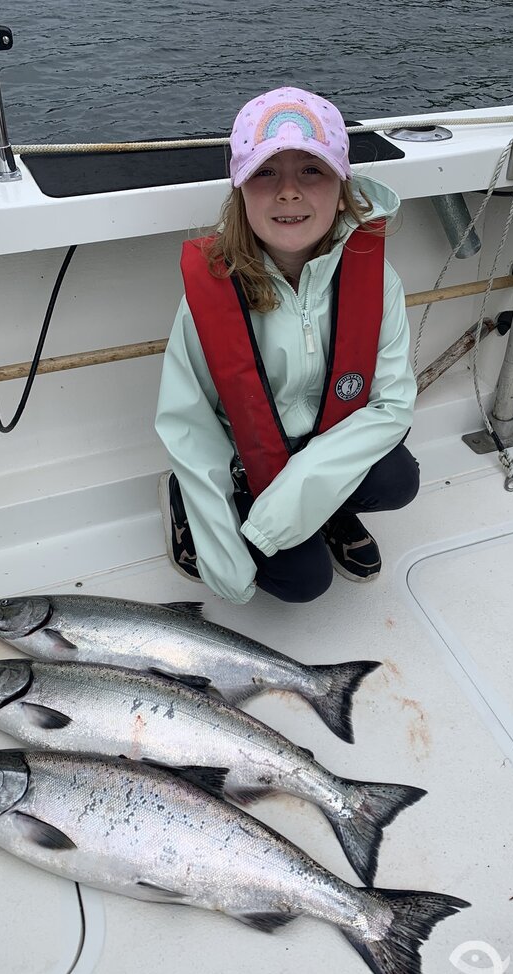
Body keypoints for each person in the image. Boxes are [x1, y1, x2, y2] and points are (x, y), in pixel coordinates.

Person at [155, 86, 419, 605]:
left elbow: (391, 403)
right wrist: (223, 545)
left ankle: (320, 507)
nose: (289, 192)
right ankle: (183, 504)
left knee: (398, 479)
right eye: (266, 172)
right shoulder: (212, 296)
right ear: (241, 190)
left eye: (312, 171)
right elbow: (190, 426)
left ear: (343, 188)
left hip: (323, 449)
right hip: (247, 460)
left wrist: (298, 497)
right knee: (302, 585)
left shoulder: (376, 279)